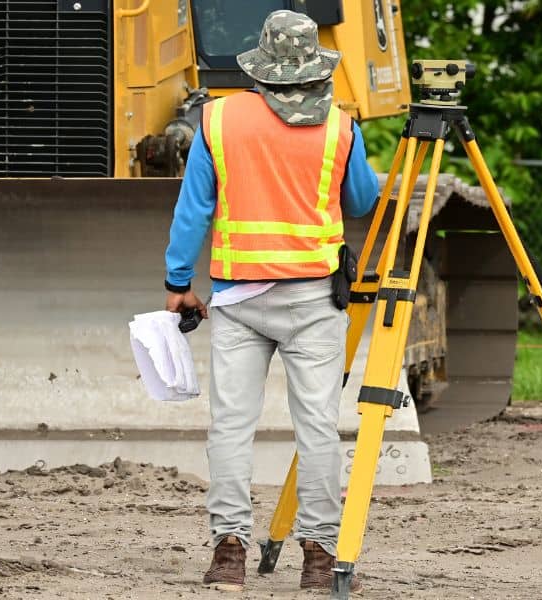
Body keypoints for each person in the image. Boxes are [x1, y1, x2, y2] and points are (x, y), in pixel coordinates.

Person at [163, 10, 379, 593]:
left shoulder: (217, 120)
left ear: (260, 65)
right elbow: (360, 200)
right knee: (317, 428)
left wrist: (178, 280)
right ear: (313, 65)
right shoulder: (341, 127)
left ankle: (228, 554)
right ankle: (318, 557)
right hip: (314, 302)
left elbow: (194, 210)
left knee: (231, 425)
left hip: (237, 298)